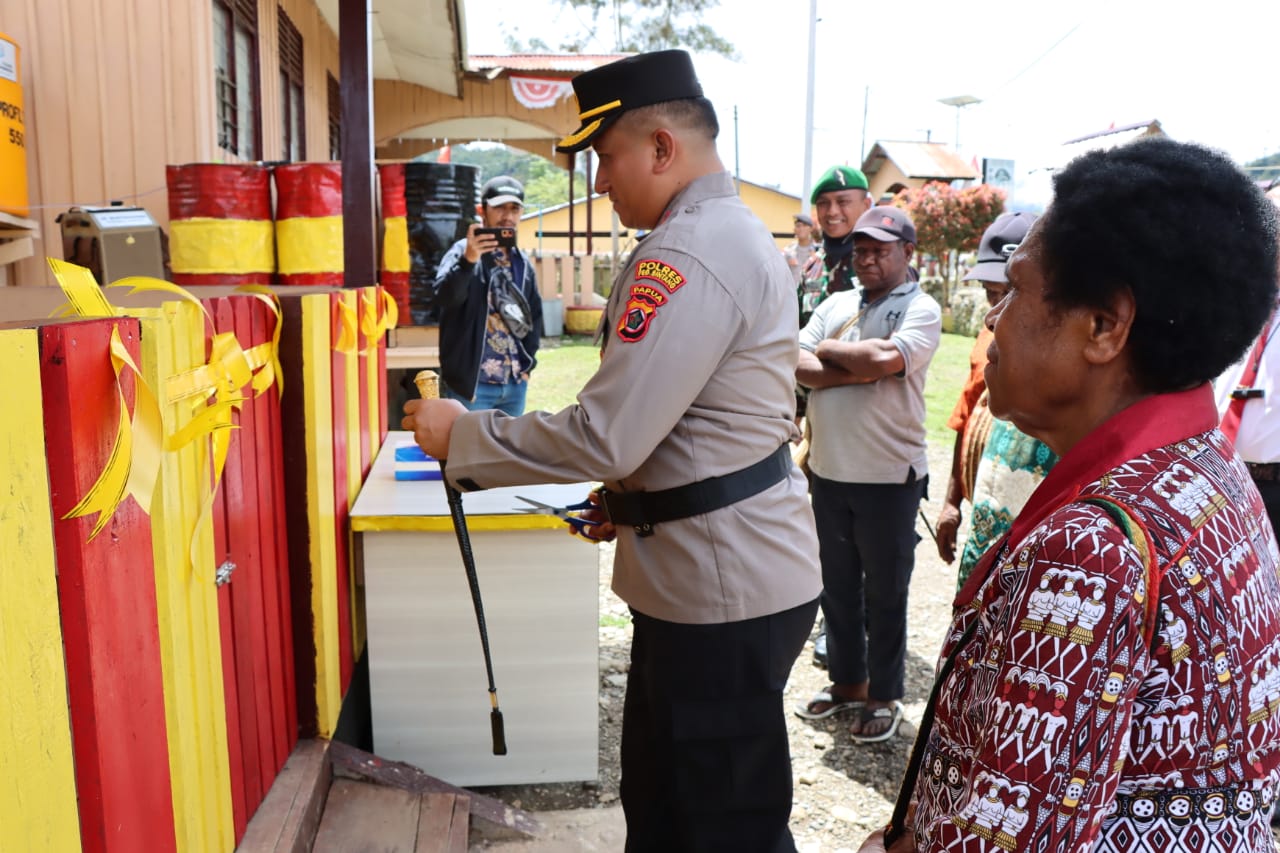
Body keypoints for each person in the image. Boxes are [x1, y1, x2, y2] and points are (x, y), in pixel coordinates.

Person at [403, 49, 821, 852]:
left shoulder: (688, 253)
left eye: (605, 156)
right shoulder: (722, 236)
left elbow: (607, 431)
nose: (599, 181)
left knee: (720, 826)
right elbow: (701, 424)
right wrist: (629, 500)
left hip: (717, 586)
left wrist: (465, 435)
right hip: (710, 567)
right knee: (669, 802)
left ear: (662, 148)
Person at [860, 138, 1280, 853]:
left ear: (1104, 327)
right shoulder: (1210, 467)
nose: (991, 321)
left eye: (1018, 289)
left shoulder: (1093, 544)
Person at [794, 205, 941, 743]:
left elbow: (885, 361)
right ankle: (847, 686)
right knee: (836, 587)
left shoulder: (921, 308)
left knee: (885, 591)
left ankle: (884, 695)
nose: (868, 259)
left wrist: (835, 354)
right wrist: (858, 366)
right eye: (861, 250)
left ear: (907, 253)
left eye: (881, 249)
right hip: (829, 472)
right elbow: (795, 362)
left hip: (888, 476)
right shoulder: (837, 302)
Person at [934, 212, 1057, 588]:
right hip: (985, 520)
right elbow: (967, 412)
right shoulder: (987, 340)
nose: (994, 314)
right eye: (990, 294)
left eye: (1010, 294)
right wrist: (952, 502)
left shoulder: (1066, 368)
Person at [431, 175, 542, 416]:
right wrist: (468, 262)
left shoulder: (522, 263)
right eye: (500, 207)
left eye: (514, 209)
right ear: (482, 210)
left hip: (514, 384)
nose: (508, 216)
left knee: (508, 453)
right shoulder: (461, 251)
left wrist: (528, 366)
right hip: (472, 386)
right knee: (467, 452)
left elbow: (534, 316)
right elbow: (444, 298)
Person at [783, 212, 817, 286]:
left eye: (804, 225)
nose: (801, 229)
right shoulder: (788, 251)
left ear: (811, 228)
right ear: (794, 229)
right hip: (793, 294)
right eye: (798, 226)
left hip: (812, 292)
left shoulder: (818, 251)